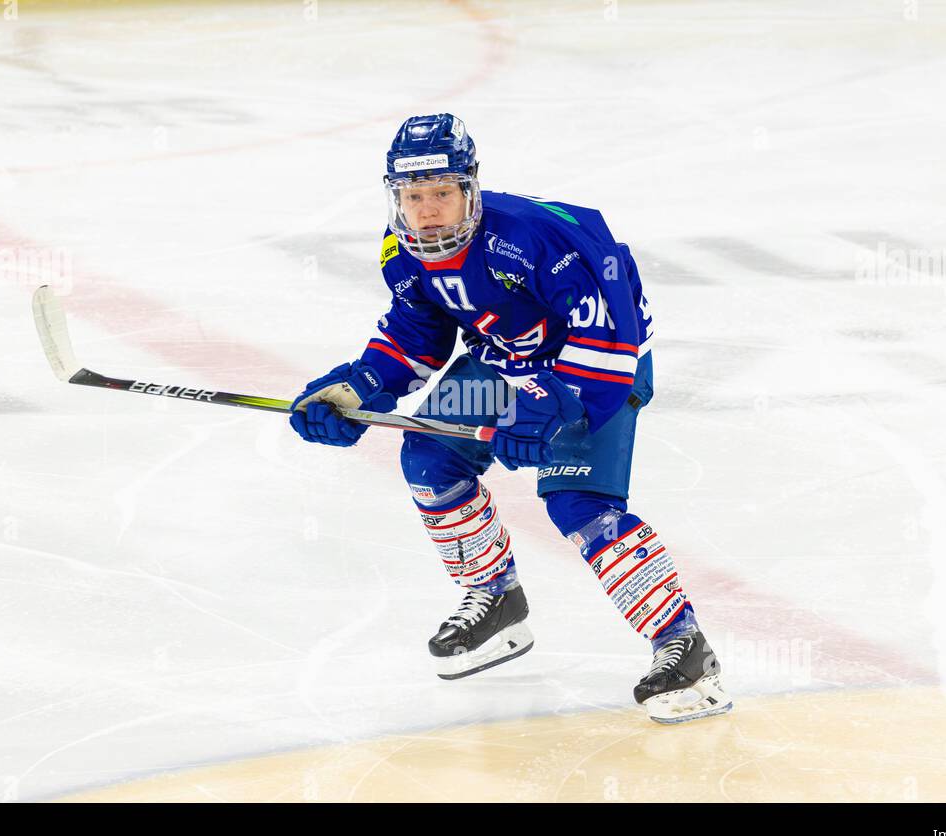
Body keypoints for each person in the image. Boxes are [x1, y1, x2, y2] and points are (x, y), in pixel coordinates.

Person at [288, 113, 731, 724]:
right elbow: (418, 336)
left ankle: (685, 650)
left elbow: (611, 335)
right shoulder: (403, 251)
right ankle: (496, 600)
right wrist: (358, 387)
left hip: (592, 370)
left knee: (581, 507)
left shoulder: (538, 237)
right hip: (503, 368)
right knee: (428, 458)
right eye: (413, 196)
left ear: (470, 187)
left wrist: (551, 407)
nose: (428, 210)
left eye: (441, 192)